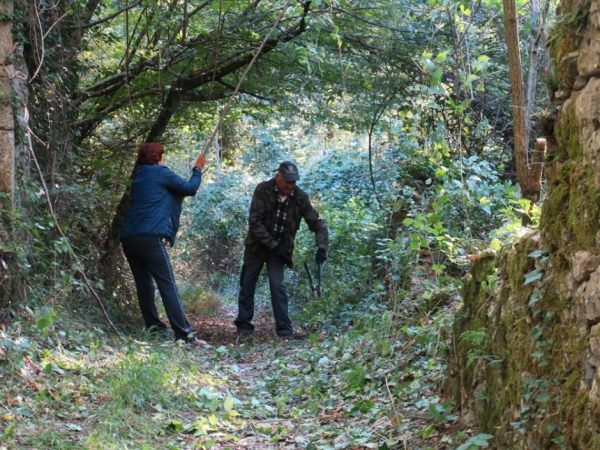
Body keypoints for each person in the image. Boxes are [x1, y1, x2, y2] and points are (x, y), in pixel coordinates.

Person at [120, 142, 208, 346]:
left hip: (129, 238)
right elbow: (190, 188)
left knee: (144, 286)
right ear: (156, 158)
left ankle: (155, 330)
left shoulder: (139, 177)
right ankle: (185, 336)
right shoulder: (160, 173)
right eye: (162, 156)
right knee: (168, 285)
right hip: (149, 238)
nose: (164, 159)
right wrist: (198, 169)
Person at [235, 161, 328, 339]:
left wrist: (322, 246)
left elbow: (317, 222)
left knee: (277, 286)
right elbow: (255, 223)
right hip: (256, 247)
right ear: (278, 177)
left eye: (293, 182)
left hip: (279, 252)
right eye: (287, 181)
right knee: (247, 284)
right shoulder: (262, 190)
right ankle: (244, 328)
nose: (290, 186)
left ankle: (284, 330)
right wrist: (274, 245)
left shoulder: (300, 197)